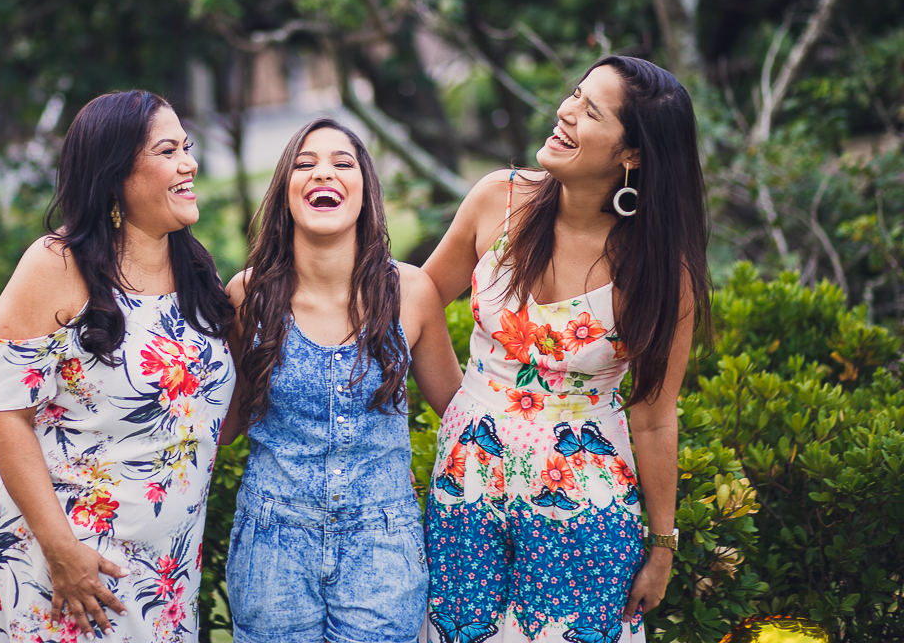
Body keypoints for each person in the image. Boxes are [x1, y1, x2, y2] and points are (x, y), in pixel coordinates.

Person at [420, 56, 710, 643]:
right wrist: (461, 404)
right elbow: (417, 302)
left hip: (582, 507)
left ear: (632, 155)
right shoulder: (496, 200)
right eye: (574, 95)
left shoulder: (657, 270)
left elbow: (654, 416)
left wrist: (661, 546)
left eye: (590, 110)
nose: (565, 112)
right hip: (465, 487)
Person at [0, 90, 235, 643]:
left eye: (186, 147)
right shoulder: (56, 264)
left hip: (166, 577)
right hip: (68, 566)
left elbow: (207, 423)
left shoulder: (196, 272)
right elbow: (2, 415)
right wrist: (61, 551)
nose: (189, 163)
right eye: (168, 151)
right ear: (116, 174)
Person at [220, 119, 465, 643]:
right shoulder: (247, 297)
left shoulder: (411, 292)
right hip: (271, 547)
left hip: (383, 549)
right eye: (304, 164)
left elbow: (461, 415)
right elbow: (225, 422)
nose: (321, 173)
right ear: (285, 190)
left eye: (341, 162)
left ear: (364, 190)